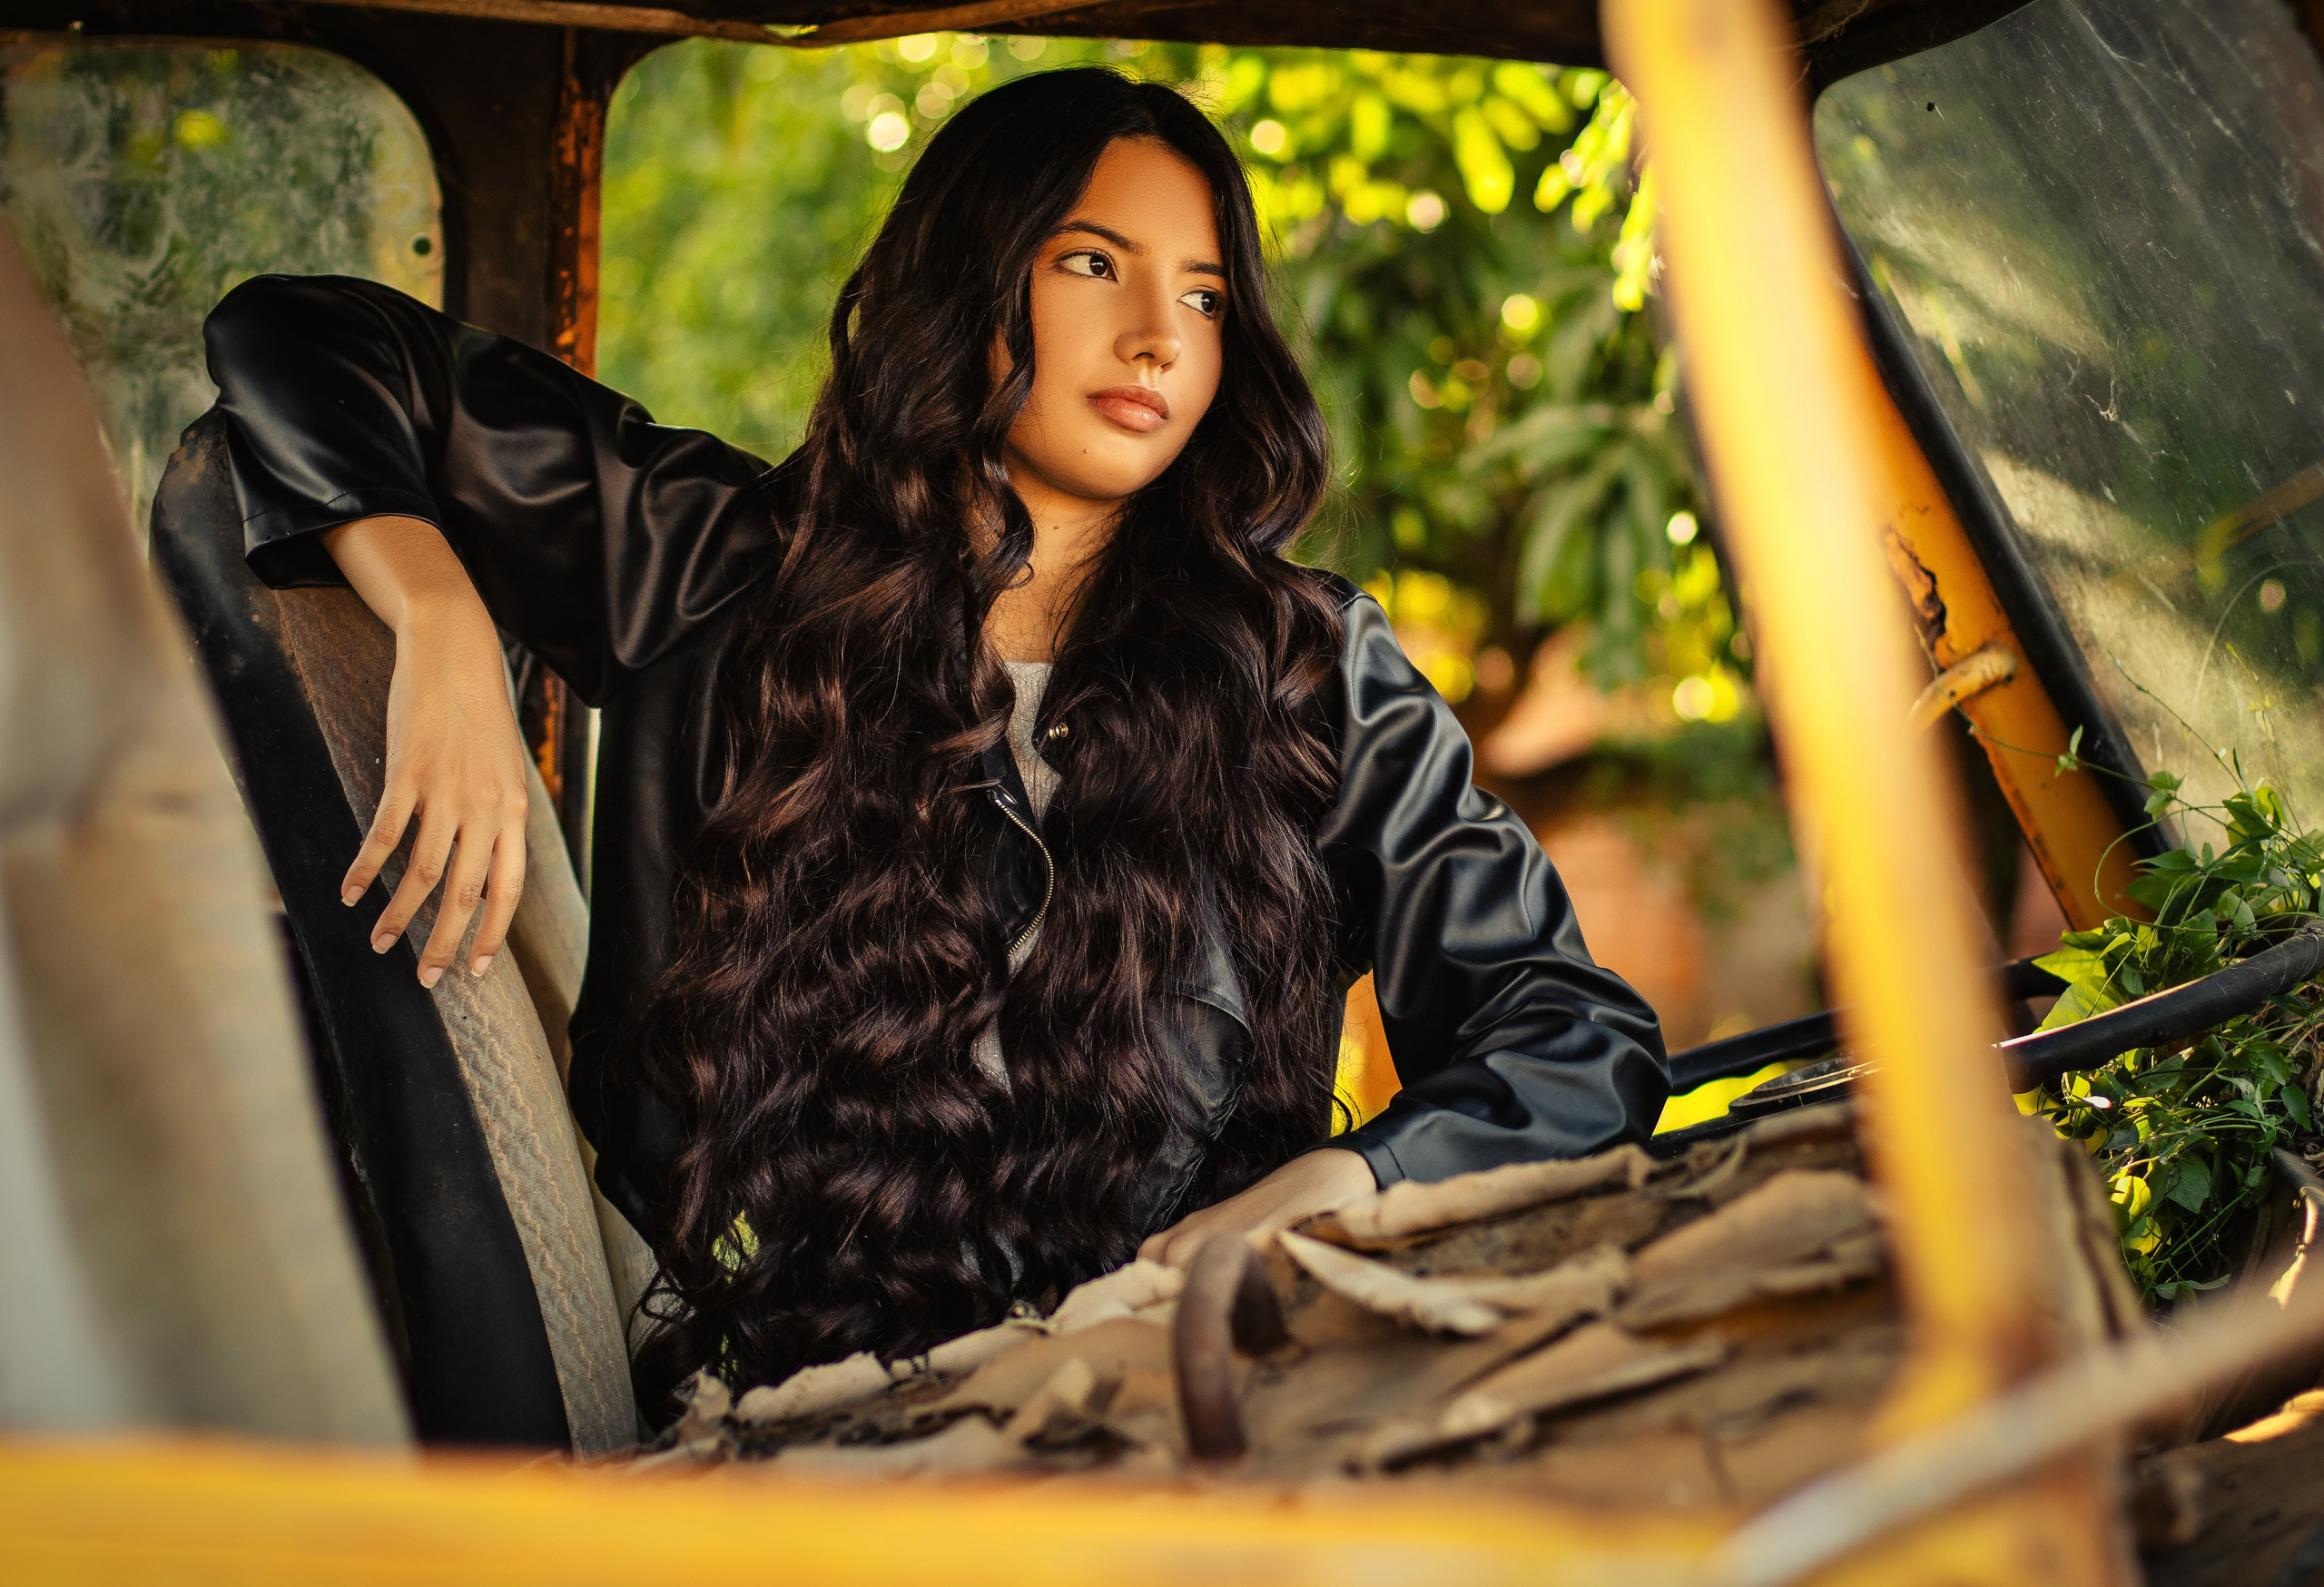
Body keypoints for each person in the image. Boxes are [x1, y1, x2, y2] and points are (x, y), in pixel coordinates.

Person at [202, 66, 1668, 1405]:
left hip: (1186, 1411)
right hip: (801, 1418)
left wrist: (1334, 1184)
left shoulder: (1312, 672)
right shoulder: (713, 568)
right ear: (969, 278)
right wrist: (445, 626)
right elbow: (300, 336)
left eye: (1207, 297)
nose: (1158, 336)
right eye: (1092, 264)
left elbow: (1571, 1035)